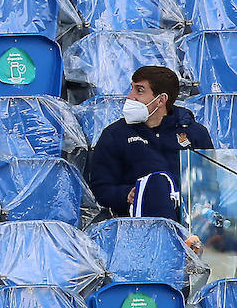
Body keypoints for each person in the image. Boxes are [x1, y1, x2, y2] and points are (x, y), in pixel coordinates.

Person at [88, 65, 210, 253]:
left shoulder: (195, 133)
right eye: (131, 88)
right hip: (138, 232)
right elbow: (100, 188)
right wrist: (125, 195)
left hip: (194, 229)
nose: (130, 96)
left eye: (139, 90)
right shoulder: (114, 134)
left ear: (161, 100)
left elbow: (211, 183)